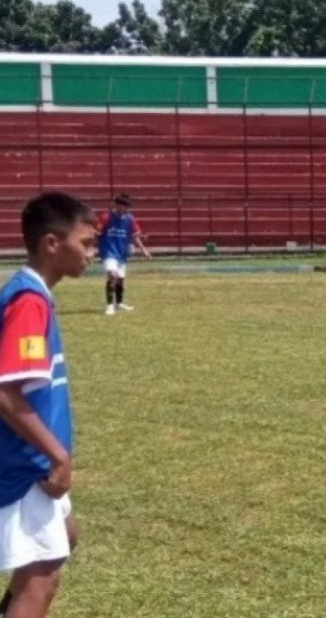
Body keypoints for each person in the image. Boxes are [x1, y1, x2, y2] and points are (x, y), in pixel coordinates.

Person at [0, 192, 94, 618]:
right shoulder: (28, 302)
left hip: (36, 461)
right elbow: (5, 392)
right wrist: (57, 456)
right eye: (86, 243)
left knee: (65, 537)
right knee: (42, 577)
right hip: (27, 465)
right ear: (52, 244)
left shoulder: (34, 296)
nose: (92, 253)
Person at [96, 193, 150, 316]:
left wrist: (143, 250)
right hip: (108, 252)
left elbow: (135, 236)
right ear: (116, 205)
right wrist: (89, 249)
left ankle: (119, 303)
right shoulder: (106, 217)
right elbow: (96, 233)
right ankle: (109, 306)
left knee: (120, 280)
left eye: (127, 206)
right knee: (112, 276)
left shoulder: (130, 219)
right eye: (122, 205)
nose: (124, 208)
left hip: (122, 253)